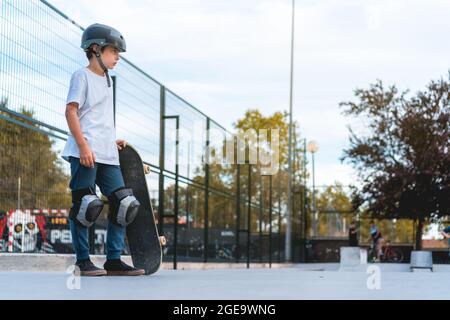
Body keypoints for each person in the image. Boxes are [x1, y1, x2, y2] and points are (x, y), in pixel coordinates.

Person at [62, 23, 144, 276]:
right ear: (96, 49)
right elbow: (71, 111)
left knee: (124, 203)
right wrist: (84, 146)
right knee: (86, 205)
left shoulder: (108, 80)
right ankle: (83, 261)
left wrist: (111, 140)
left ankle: (113, 260)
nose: (117, 56)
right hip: (85, 152)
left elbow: (97, 118)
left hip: (107, 153)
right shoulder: (81, 76)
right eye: (114, 51)